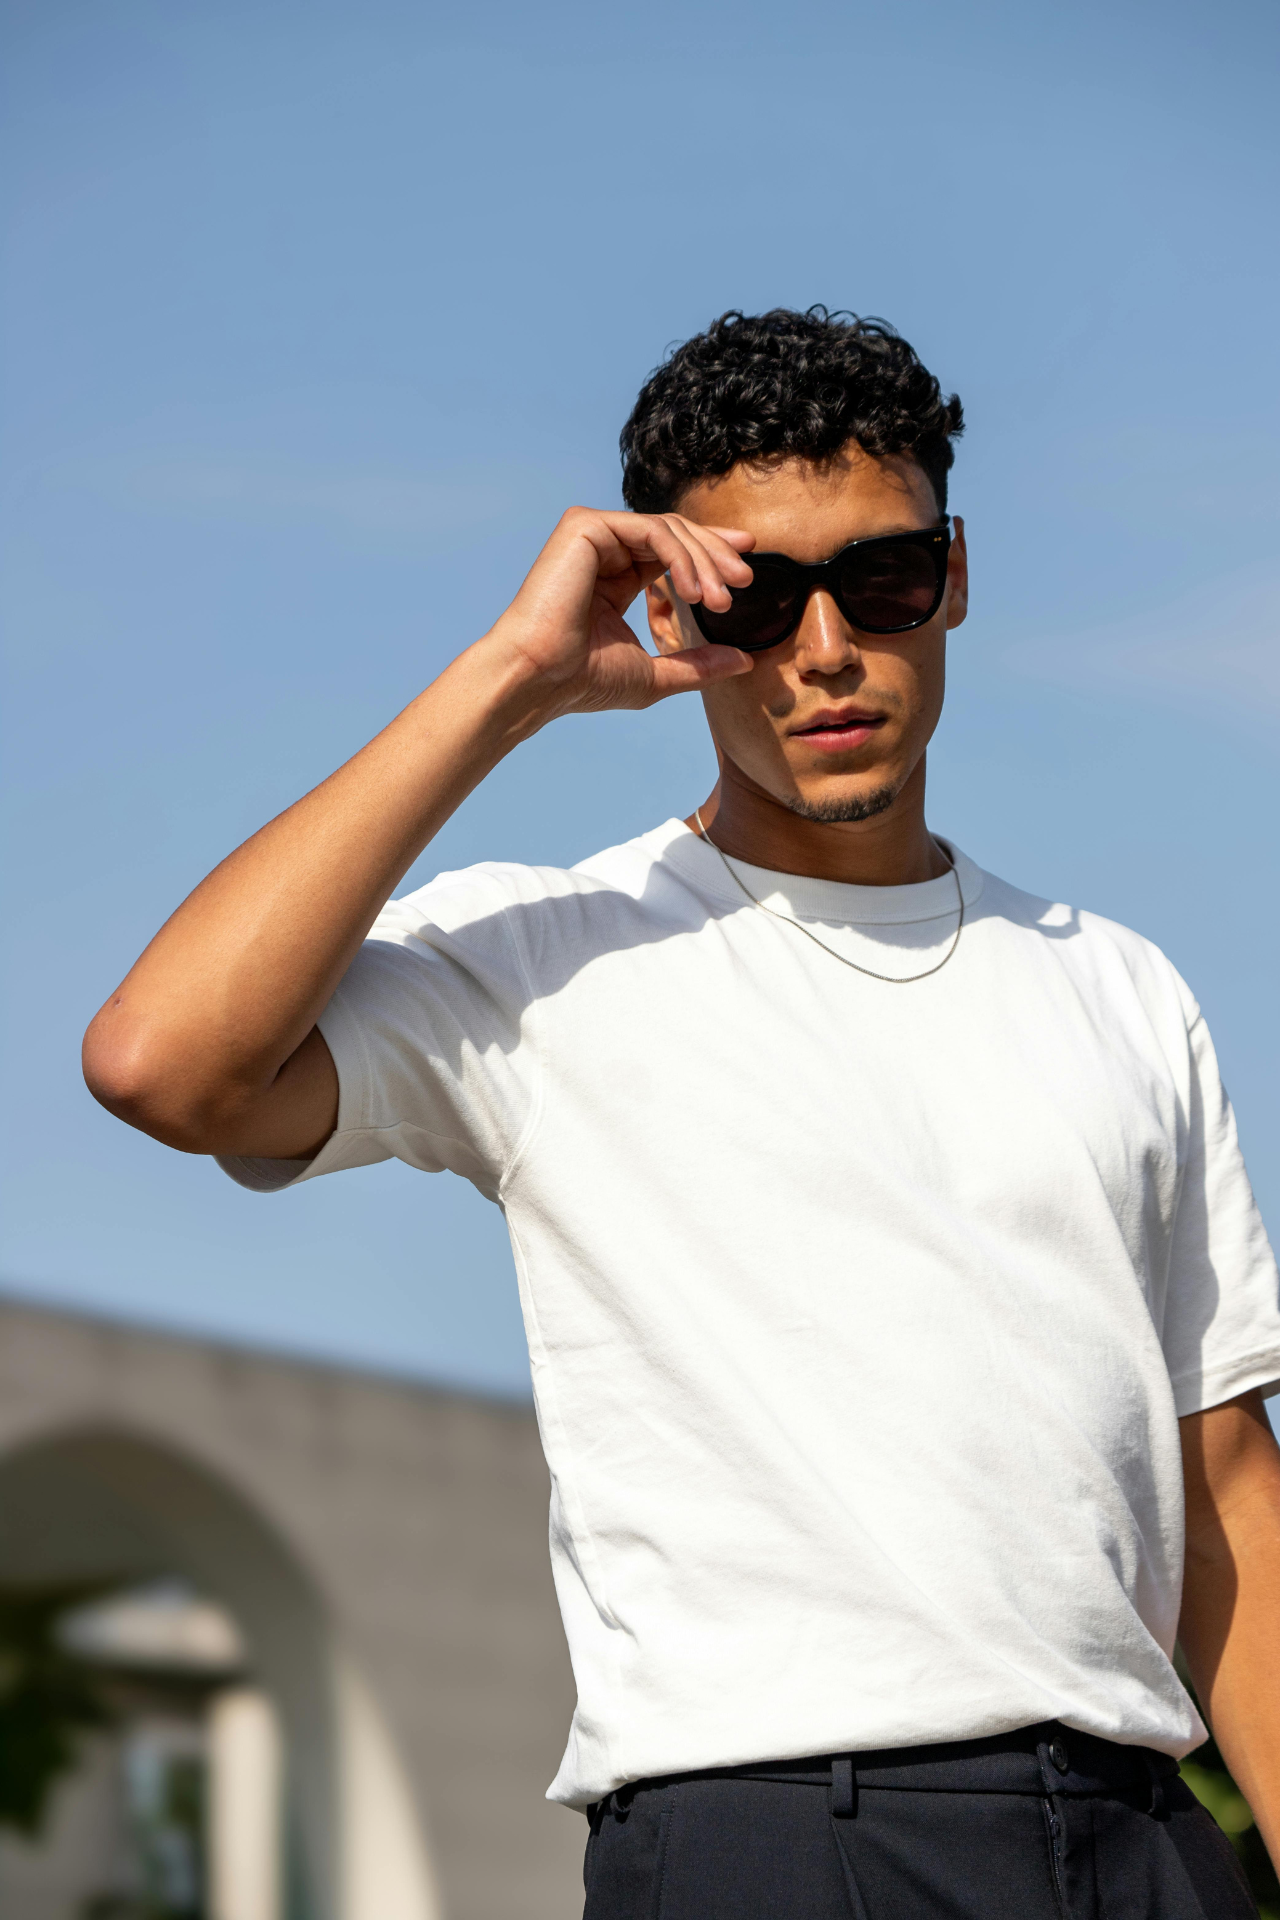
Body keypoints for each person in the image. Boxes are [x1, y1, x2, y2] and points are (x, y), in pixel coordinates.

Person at [84, 307, 1280, 1919]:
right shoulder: (545, 958)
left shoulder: (1118, 985)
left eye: (881, 580)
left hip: (1139, 1839)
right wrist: (510, 682)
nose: (825, 649)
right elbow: (163, 1062)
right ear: (666, 606)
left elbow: (1230, 1495)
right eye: (753, 598)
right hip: (775, 1837)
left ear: (954, 576)